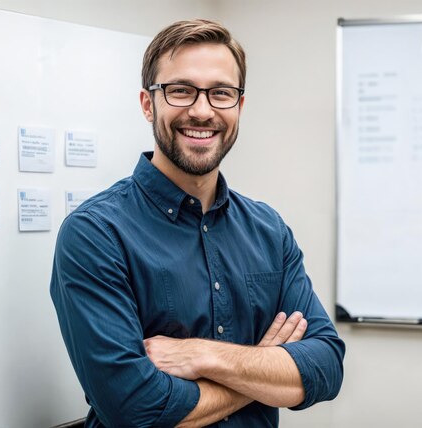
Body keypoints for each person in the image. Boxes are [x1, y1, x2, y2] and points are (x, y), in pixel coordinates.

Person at [50, 19, 345, 427]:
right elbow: (136, 409)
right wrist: (262, 365)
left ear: (239, 107)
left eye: (221, 93)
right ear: (148, 103)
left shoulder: (268, 230)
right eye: (181, 90)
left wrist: (202, 356)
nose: (202, 111)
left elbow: (327, 367)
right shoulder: (96, 234)